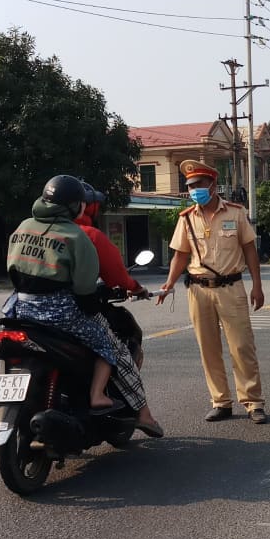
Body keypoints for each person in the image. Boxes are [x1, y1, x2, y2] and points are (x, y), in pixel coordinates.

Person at [3, 175, 153, 433]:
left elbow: (12, 269)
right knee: (109, 344)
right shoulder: (78, 236)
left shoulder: (24, 226)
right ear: (76, 206)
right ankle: (101, 397)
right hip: (61, 312)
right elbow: (85, 288)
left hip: (22, 307)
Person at [156, 160, 268, 424]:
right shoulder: (186, 218)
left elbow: (250, 250)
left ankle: (253, 402)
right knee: (208, 349)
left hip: (231, 287)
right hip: (198, 290)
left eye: (198, 185)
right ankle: (221, 401)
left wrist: (258, 286)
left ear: (212, 185)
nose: (194, 190)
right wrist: (168, 284)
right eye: (190, 186)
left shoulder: (235, 213)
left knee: (242, 347)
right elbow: (180, 256)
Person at [74, 180, 164, 437]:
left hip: (22, 311)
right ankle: (141, 413)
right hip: (70, 313)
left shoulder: (31, 230)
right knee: (117, 351)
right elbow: (117, 276)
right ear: (85, 206)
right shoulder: (88, 235)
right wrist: (135, 288)